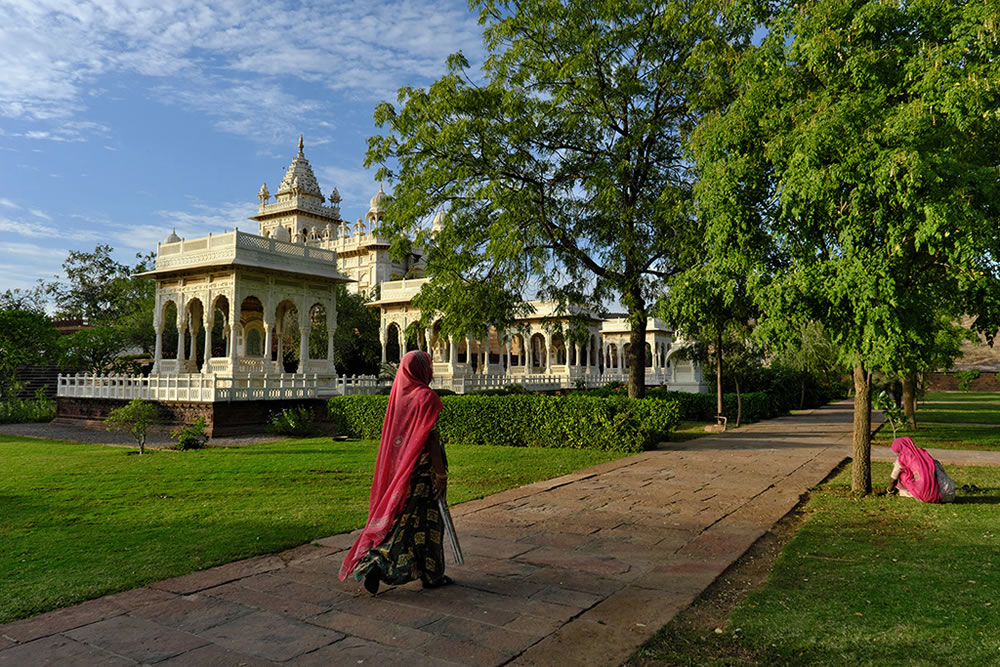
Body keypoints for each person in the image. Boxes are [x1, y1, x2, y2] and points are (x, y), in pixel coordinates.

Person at [338, 350, 453, 594]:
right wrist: (441, 475)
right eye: (428, 366)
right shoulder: (427, 397)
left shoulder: (400, 398)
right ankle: (388, 566)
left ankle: (414, 570)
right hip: (424, 473)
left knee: (403, 520)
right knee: (426, 524)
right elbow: (430, 438)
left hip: (405, 471)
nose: (430, 370)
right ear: (422, 369)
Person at [886, 436, 956, 503]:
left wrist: (889, 490)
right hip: (949, 494)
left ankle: (909, 492)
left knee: (903, 475)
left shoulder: (902, 458)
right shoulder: (923, 454)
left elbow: (893, 479)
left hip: (925, 496)